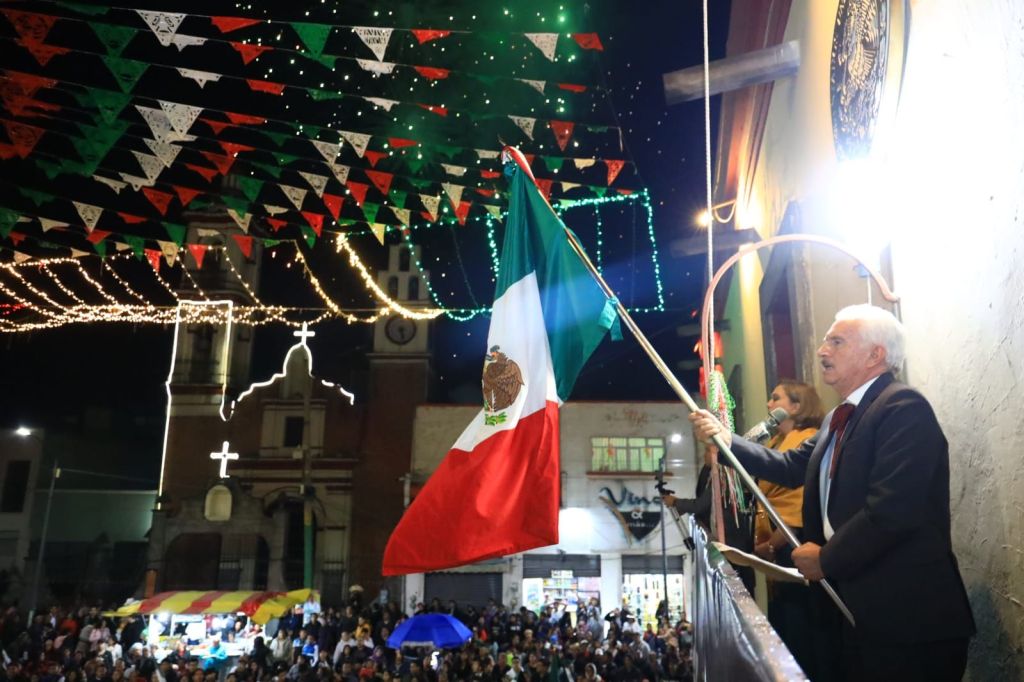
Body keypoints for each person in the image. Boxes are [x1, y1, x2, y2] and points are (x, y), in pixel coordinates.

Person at [688, 304, 975, 681]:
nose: (823, 351)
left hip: (907, 618)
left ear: (876, 354)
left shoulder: (903, 408)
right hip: (855, 613)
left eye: (837, 342)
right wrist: (727, 441)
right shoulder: (836, 419)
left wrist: (827, 558)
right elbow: (790, 467)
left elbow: (893, 509)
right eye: (824, 341)